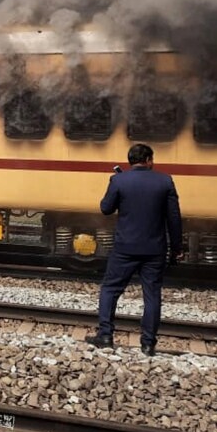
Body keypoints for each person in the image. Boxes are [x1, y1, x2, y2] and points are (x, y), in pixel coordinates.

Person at [86, 143, 183, 356]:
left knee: (110, 289)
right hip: (154, 249)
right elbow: (174, 218)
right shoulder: (164, 181)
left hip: (125, 248)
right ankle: (148, 344)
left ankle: (105, 336)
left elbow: (105, 208)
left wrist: (116, 189)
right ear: (149, 160)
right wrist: (177, 247)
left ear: (130, 161)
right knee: (152, 295)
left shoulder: (119, 180)